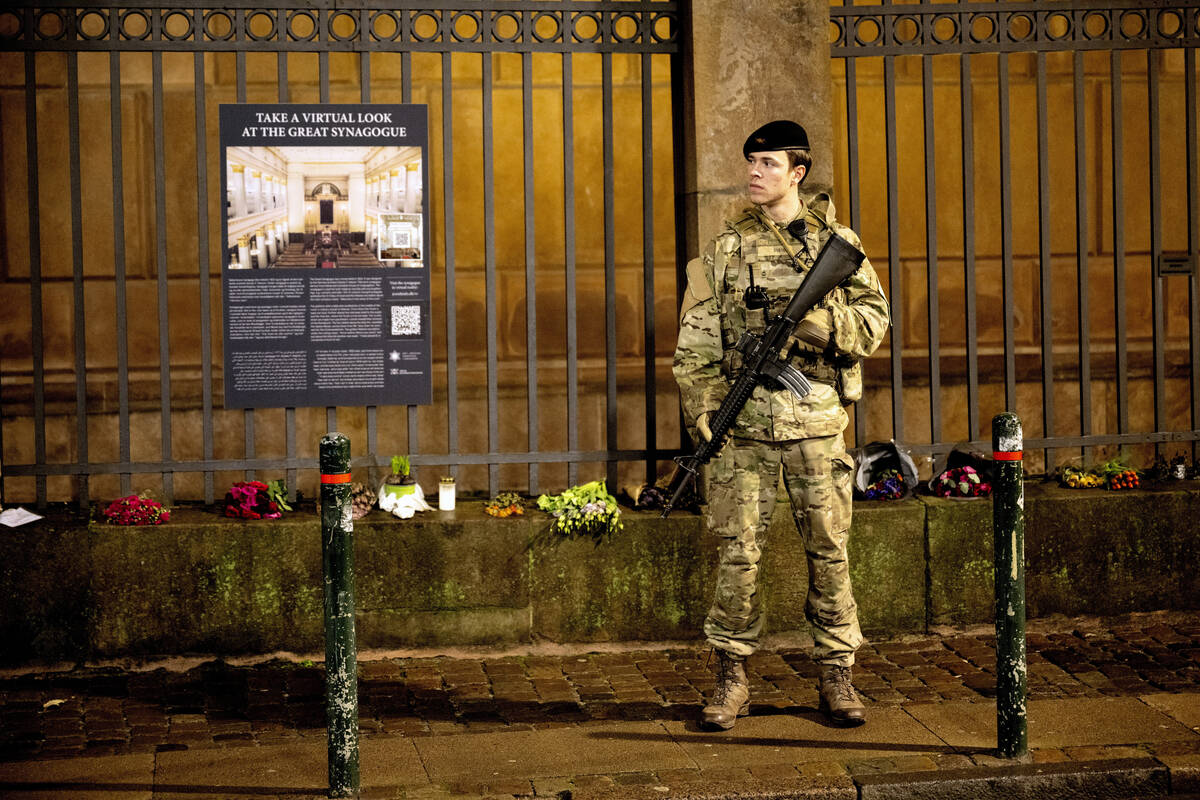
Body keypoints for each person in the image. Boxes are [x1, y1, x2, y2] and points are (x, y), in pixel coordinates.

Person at [672, 119, 890, 729]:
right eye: (749, 162)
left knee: (829, 550)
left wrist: (824, 328)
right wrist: (706, 412)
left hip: (817, 425)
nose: (753, 173)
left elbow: (875, 321)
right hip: (743, 433)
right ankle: (731, 678)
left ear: (798, 172)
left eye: (767, 163)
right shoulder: (725, 250)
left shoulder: (836, 244)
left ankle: (837, 676)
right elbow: (695, 344)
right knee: (737, 555)